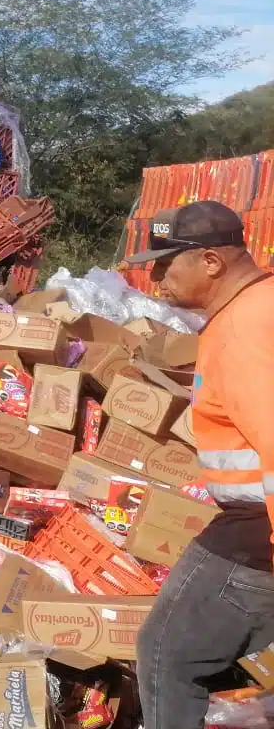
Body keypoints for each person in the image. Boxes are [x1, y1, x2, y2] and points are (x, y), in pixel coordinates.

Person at [129, 201, 274, 729]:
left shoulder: (244, 328)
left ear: (211, 262)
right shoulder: (261, 306)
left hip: (256, 532)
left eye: (165, 264)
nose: (156, 277)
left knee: (170, 652)